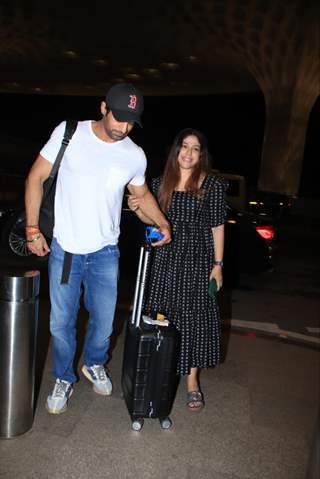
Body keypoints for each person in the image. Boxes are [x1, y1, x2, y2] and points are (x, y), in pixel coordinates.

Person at [24, 83, 171, 414]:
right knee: (61, 324)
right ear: (103, 108)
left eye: (131, 122)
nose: (124, 127)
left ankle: (93, 363)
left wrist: (163, 224)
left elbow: (141, 196)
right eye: (119, 118)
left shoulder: (133, 154)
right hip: (67, 250)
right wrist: (33, 230)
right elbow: (35, 177)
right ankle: (63, 377)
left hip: (106, 252)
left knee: (104, 323)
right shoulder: (70, 132)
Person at [128, 128, 227, 411]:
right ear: (176, 150)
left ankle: (192, 382)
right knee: (164, 316)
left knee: (195, 318)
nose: (189, 153)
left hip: (198, 260)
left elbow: (217, 227)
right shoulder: (160, 183)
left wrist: (218, 266)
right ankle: (162, 370)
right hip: (166, 262)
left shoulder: (212, 185)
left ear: (201, 155)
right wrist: (136, 208)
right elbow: (153, 222)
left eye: (195, 148)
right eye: (185, 146)